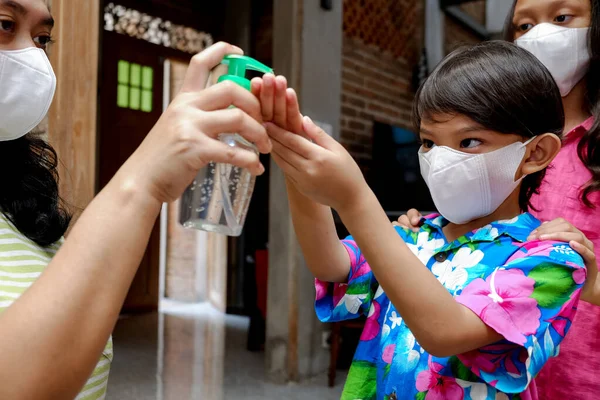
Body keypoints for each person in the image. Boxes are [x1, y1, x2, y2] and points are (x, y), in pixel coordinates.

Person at [254, 41, 590, 399]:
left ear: (535, 153)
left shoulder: (550, 261)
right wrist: (295, 161)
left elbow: (445, 333)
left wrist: (355, 199)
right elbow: (331, 264)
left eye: (469, 141)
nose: (442, 159)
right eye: (429, 142)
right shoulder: (414, 234)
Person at [0, 1, 271, 399]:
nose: (32, 56)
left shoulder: (23, 196)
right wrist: (143, 182)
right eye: (5, 25)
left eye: (42, 38)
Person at [397, 0, 600, 397]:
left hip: (579, 381)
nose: (541, 35)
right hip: (472, 375)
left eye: (562, 18)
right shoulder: (493, 144)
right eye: (524, 25)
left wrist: (590, 283)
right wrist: (429, 234)